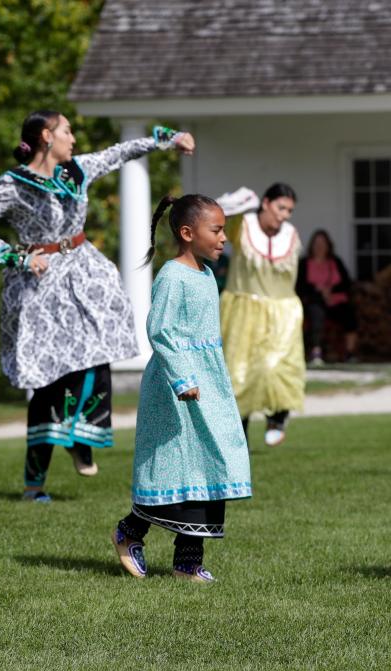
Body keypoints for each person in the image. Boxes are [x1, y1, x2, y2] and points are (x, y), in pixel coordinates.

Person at [0, 111, 195, 502]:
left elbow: (121, 151)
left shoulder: (78, 169)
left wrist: (168, 139)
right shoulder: (13, 185)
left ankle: (80, 435)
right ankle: (34, 483)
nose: (74, 137)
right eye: (67, 130)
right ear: (45, 136)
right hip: (39, 284)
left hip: (85, 273)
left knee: (97, 351)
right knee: (49, 377)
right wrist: (16, 255)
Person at [112, 195, 251, 584]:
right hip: (177, 388)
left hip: (208, 384)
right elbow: (160, 329)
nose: (224, 238)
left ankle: (187, 563)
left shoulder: (206, 274)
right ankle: (129, 532)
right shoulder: (172, 276)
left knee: (208, 463)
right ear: (187, 233)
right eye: (217, 230)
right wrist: (183, 378)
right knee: (176, 468)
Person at [216, 185, 304, 447]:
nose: (284, 215)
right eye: (281, 207)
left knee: (277, 365)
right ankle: (237, 435)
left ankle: (278, 417)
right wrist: (241, 200)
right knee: (239, 372)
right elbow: (220, 214)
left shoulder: (290, 234)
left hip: (282, 311)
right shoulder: (242, 226)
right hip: (243, 308)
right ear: (265, 203)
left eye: (289, 210)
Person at [297, 229, 358, 365]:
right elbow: (300, 286)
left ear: (328, 245)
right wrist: (318, 290)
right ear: (312, 246)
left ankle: (350, 352)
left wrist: (331, 290)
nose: (320, 246)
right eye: (317, 243)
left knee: (349, 314)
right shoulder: (304, 263)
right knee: (316, 312)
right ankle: (316, 351)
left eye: (323, 243)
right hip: (314, 300)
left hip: (336, 301)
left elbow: (346, 283)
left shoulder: (336, 261)